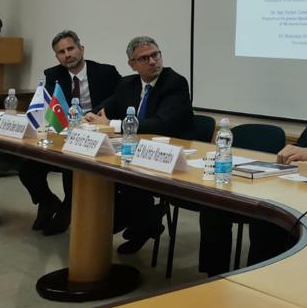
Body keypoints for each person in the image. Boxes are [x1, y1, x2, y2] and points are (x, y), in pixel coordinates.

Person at [199, 40, 307, 276]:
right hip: (296, 174)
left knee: (267, 216)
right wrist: (292, 151)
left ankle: (259, 279)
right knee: (216, 202)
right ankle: (213, 278)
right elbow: (303, 142)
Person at [85, 36, 194, 254]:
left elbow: (162, 124)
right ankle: (140, 219)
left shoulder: (174, 82)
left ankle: (139, 222)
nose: (153, 61)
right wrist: (89, 116)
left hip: (172, 154)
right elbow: (106, 108)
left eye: (155, 55)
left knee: (129, 177)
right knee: (97, 171)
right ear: (132, 64)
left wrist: (112, 124)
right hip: (136, 151)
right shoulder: (128, 84)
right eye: (144, 58)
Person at [19, 30, 121, 235]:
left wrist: (93, 115)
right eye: (61, 52)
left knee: (71, 167)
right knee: (27, 168)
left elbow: (121, 96)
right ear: (57, 56)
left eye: (71, 49)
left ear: (81, 49)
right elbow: (51, 106)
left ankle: (67, 209)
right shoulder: (53, 75)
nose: (67, 55)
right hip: (65, 136)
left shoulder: (105, 72)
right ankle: (48, 202)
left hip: (98, 136)